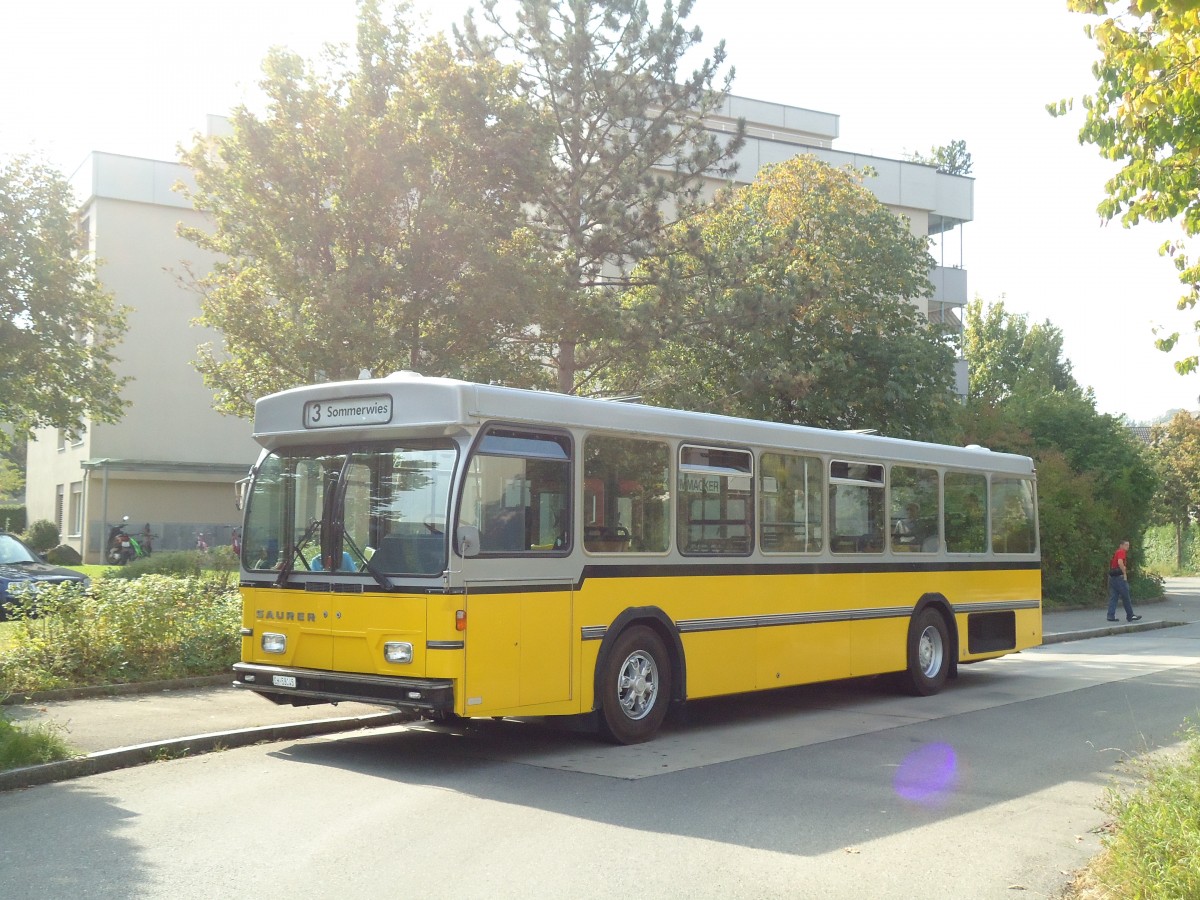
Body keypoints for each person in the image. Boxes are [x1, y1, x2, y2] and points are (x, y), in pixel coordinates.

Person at [1107, 539, 1142, 623]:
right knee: (1126, 596)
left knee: (1114, 597)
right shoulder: (1121, 552)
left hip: (1113, 577)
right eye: (1126, 545)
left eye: (1128, 545)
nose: (1127, 547)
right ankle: (1130, 615)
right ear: (1121, 545)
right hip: (1119, 577)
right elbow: (1120, 562)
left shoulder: (1117, 552)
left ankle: (1110, 615)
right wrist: (1124, 573)